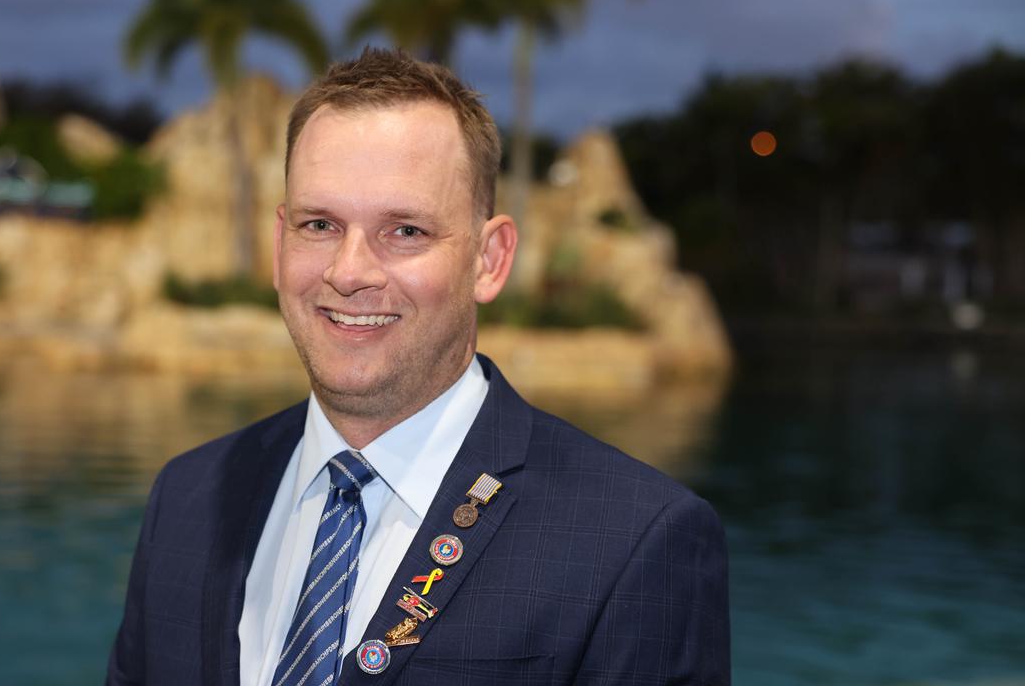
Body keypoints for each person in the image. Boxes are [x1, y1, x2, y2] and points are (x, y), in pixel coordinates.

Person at [106, 48, 729, 686]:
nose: (348, 272)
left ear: (490, 259)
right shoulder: (185, 497)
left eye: (404, 231)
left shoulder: (633, 541)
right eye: (319, 224)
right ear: (278, 244)